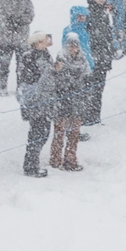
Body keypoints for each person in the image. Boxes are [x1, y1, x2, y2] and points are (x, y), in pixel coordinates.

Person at [18, 31, 55, 177]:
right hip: (36, 101)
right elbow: (31, 80)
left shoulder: (46, 54)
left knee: (44, 132)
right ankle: (30, 165)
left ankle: (33, 162)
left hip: (46, 99)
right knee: (37, 133)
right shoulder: (29, 57)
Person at [51, 34, 89, 171]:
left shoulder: (82, 58)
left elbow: (86, 75)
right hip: (62, 100)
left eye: (76, 46)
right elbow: (61, 79)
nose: (74, 49)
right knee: (59, 132)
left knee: (74, 133)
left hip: (77, 101)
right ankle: (55, 159)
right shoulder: (61, 57)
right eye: (71, 46)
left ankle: (70, 159)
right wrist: (75, 82)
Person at [0, 0, 34, 95]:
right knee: (4, 64)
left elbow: (30, 15)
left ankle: (20, 87)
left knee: (21, 65)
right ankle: (3, 88)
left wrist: (20, 20)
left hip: (21, 38)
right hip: (5, 38)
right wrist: (7, 21)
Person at [85, 0, 114, 125]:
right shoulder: (87, 13)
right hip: (91, 56)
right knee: (88, 88)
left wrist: (109, 55)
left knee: (99, 89)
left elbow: (108, 35)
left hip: (103, 56)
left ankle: (95, 116)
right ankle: (86, 116)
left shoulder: (105, 14)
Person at [61, 7, 95, 74]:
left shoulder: (86, 30)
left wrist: (91, 62)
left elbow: (88, 48)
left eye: (84, 16)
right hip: (73, 63)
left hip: (86, 62)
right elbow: (65, 47)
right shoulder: (68, 30)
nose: (82, 18)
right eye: (79, 16)